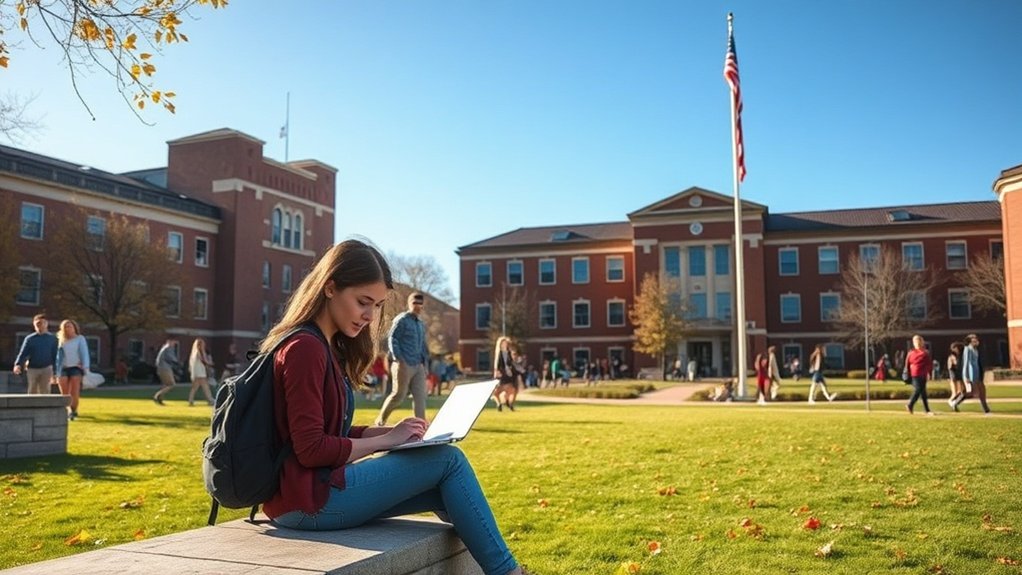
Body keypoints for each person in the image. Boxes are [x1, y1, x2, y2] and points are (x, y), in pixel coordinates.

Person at [261, 239, 527, 575]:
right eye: (363, 302)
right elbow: (312, 449)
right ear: (330, 287)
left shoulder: (326, 346)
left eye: (377, 305)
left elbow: (330, 432)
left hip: (314, 492)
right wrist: (385, 442)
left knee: (443, 484)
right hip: (308, 501)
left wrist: (390, 433)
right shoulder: (305, 348)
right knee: (449, 461)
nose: (370, 316)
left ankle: (496, 568)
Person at [375, 292, 430, 426]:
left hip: (418, 365)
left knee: (420, 397)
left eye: (420, 304)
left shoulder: (420, 324)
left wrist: (425, 364)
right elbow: (392, 339)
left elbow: (422, 345)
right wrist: (399, 359)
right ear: (409, 304)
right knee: (398, 396)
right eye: (415, 303)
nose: (418, 307)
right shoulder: (401, 320)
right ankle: (380, 421)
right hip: (403, 364)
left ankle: (421, 426)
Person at [12, 314, 58, 395]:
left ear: (46, 324)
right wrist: (17, 364)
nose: (40, 325)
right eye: (37, 324)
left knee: (45, 390)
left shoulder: (53, 339)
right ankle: (31, 407)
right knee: (32, 390)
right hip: (32, 368)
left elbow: (55, 355)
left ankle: (44, 407)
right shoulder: (30, 339)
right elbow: (23, 353)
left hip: (47, 368)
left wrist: (55, 371)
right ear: (34, 325)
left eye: (42, 323)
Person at [54, 319, 89, 420]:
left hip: (76, 368)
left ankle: (73, 411)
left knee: (74, 391)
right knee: (64, 393)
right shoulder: (61, 340)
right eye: (66, 326)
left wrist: (85, 366)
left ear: (74, 328)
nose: (68, 328)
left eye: (70, 326)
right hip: (63, 368)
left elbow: (84, 353)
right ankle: (67, 409)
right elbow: (57, 357)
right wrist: (56, 371)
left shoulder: (80, 339)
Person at [962, 333, 992, 414]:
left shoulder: (976, 349)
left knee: (982, 390)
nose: (975, 339)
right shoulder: (967, 349)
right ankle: (956, 401)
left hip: (979, 372)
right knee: (973, 393)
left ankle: (986, 409)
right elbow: (966, 363)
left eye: (976, 338)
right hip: (972, 374)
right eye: (973, 338)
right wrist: (966, 376)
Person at [905, 334, 933, 415]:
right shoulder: (911, 353)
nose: (918, 343)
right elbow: (907, 363)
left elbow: (929, 364)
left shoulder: (925, 353)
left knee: (923, 392)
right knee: (918, 389)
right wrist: (907, 373)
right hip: (914, 374)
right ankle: (910, 404)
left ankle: (927, 410)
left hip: (922, 374)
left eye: (919, 342)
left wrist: (929, 373)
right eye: (916, 342)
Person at [492, 336, 518, 412]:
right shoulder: (499, 353)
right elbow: (497, 364)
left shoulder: (508, 353)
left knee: (510, 390)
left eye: (506, 343)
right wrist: (496, 372)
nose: (504, 345)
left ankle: (507, 403)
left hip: (508, 374)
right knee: (495, 392)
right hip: (501, 374)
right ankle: (500, 404)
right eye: (503, 343)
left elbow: (510, 364)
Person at [188, 338, 215, 406]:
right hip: (200, 371)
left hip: (198, 371)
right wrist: (209, 364)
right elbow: (203, 360)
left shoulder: (195, 352)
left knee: (196, 387)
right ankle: (210, 400)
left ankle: (191, 400)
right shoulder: (199, 352)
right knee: (205, 386)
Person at [153, 336, 180, 405]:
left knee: (166, 384)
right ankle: (158, 395)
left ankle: (160, 399)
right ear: (170, 341)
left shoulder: (164, 348)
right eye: (173, 342)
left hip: (161, 368)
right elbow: (172, 358)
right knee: (172, 384)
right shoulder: (168, 348)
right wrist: (177, 362)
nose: (174, 343)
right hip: (165, 368)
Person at [947, 341, 965, 412]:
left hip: (959, 376)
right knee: (955, 393)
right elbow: (951, 368)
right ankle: (951, 402)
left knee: (961, 392)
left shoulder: (960, 356)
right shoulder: (952, 357)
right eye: (956, 348)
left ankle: (954, 403)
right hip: (954, 377)